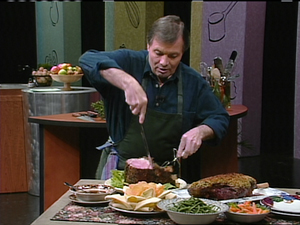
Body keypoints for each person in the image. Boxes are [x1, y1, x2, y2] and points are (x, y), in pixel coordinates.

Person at [79, 15, 230, 180]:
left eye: (173, 56)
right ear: (148, 45)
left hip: (166, 177)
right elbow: (88, 59)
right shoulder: (130, 62)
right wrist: (127, 82)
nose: (164, 62)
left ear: (182, 53)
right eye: (158, 53)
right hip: (119, 171)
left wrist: (201, 131)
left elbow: (219, 117)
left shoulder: (192, 82)